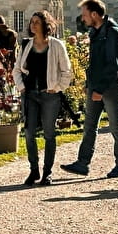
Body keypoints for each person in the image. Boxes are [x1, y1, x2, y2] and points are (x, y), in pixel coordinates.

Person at [61, 0, 118, 179]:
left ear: (94, 14)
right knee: (89, 126)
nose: (82, 19)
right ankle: (82, 163)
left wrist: (99, 88)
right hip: (96, 86)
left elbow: (113, 65)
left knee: (116, 126)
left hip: (111, 86)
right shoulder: (95, 31)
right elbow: (95, 63)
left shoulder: (113, 32)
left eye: (84, 15)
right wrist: (89, 85)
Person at [12, 11, 73, 186]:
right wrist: (21, 88)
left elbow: (66, 71)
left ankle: (47, 172)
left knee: (49, 134)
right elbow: (17, 69)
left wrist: (58, 88)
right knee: (29, 133)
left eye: (37, 22)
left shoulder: (57, 45)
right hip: (30, 94)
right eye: (32, 22)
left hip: (49, 95)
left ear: (45, 25)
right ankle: (34, 170)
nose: (33, 25)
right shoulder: (26, 45)